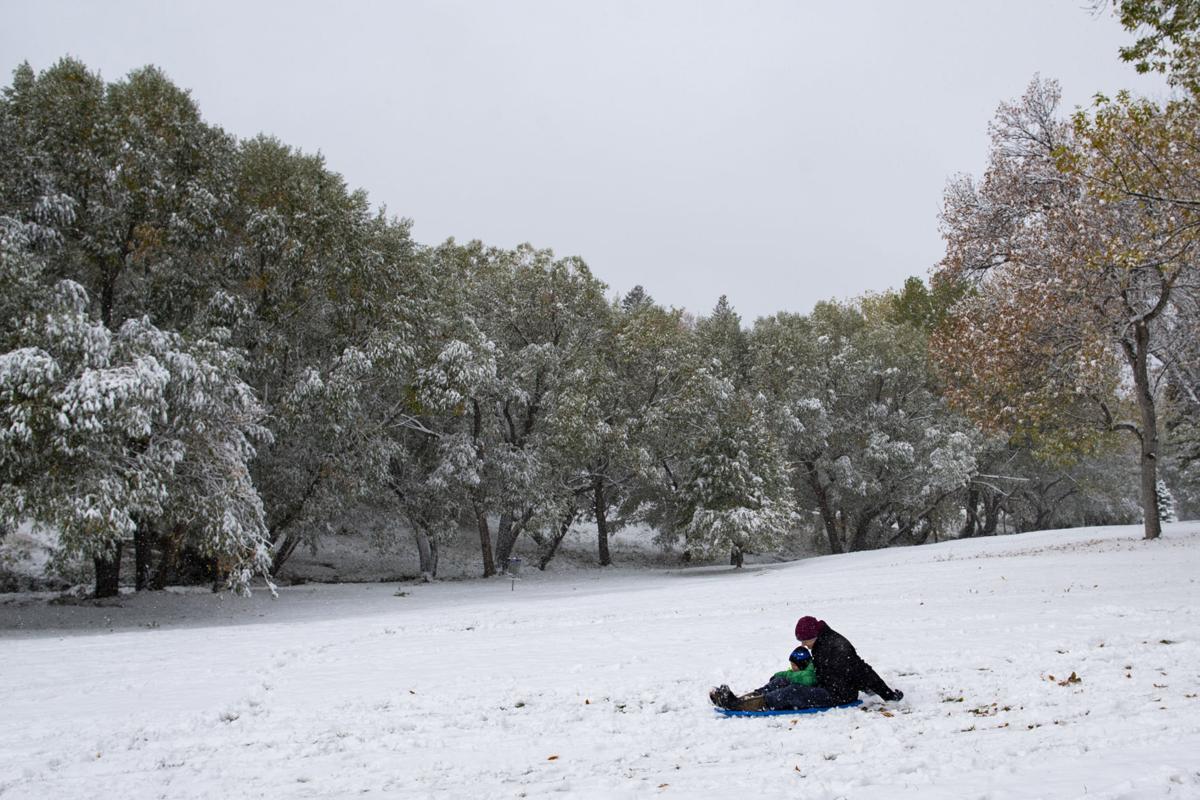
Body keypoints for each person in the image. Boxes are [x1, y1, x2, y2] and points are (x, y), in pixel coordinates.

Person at [794, 615, 903, 704]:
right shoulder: (821, 642)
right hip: (827, 687)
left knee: (792, 693)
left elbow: (861, 670)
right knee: (788, 684)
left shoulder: (835, 647)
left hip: (838, 695)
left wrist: (888, 694)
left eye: (805, 640)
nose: (803, 644)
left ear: (814, 635)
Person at [709, 645, 824, 711]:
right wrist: (780, 676)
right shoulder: (802, 670)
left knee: (780, 694)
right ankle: (739, 700)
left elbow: (808, 679)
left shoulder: (810, 670)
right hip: (801, 688)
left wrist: (785, 675)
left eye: (794, 665)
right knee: (778, 682)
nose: (792, 668)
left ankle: (737, 705)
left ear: (802, 664)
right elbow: (792, 675)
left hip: (807, 693)